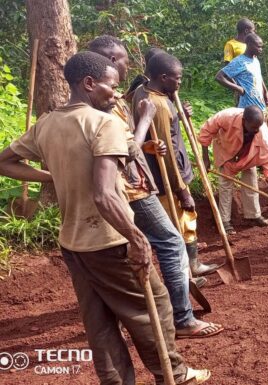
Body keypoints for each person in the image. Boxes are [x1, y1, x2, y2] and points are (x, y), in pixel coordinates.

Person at [0, 51, 211, 385]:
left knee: (98, 322)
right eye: (111, 87)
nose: (115, 94)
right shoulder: (105, 124)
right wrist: (137, 238)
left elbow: (4, 161)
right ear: (88, 84)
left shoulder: (47, 123)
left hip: (72, 243)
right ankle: (174, 373)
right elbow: (104, 194)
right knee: (154, 305)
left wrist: (52, 175)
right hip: (109, 241)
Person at [88, 35, 223, 338]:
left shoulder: (110, 100)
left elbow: (122, 146)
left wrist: (146, 145)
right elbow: (123, 151)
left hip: (126, 184)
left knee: (126, 251)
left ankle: (131, 317)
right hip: (131, 188)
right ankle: (182, 317)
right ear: (111, 61)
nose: (127, 64)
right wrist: (145, 122)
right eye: (123, 58)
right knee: (170, 242)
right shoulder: (112, 103)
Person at [134, 53, 220, 282]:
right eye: (177, 78)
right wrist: (181, 189)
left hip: (162, 175)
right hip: (167, 178)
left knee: (181, 223)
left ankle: (192, 266)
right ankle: (186, 274)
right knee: (178, 223)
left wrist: (177, 112)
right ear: (163, 77)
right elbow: (168, 150)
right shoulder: (159, 104)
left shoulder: (144, 92)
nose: (180, 82)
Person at [199, 106, 268, 233]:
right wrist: (205, 158)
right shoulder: (226, 116)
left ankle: (254, 215)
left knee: (251, 182)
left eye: (259, 127)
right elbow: (206, 130)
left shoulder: (263, 136)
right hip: (226, 152)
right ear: (244, 120)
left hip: (249, 156)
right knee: (225, 186)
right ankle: (225, 221)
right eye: (253, 127)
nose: (257, 130)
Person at [216, 33, 268, 111]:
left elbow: (258, 77)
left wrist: (265, 92)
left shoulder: (255, 60)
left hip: (260, 105)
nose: (261, 49)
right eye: (258, 47)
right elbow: (219, 77)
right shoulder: (239, 62)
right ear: (249, 44)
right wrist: (239, 89)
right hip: (246, 108)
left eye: (261, 47)